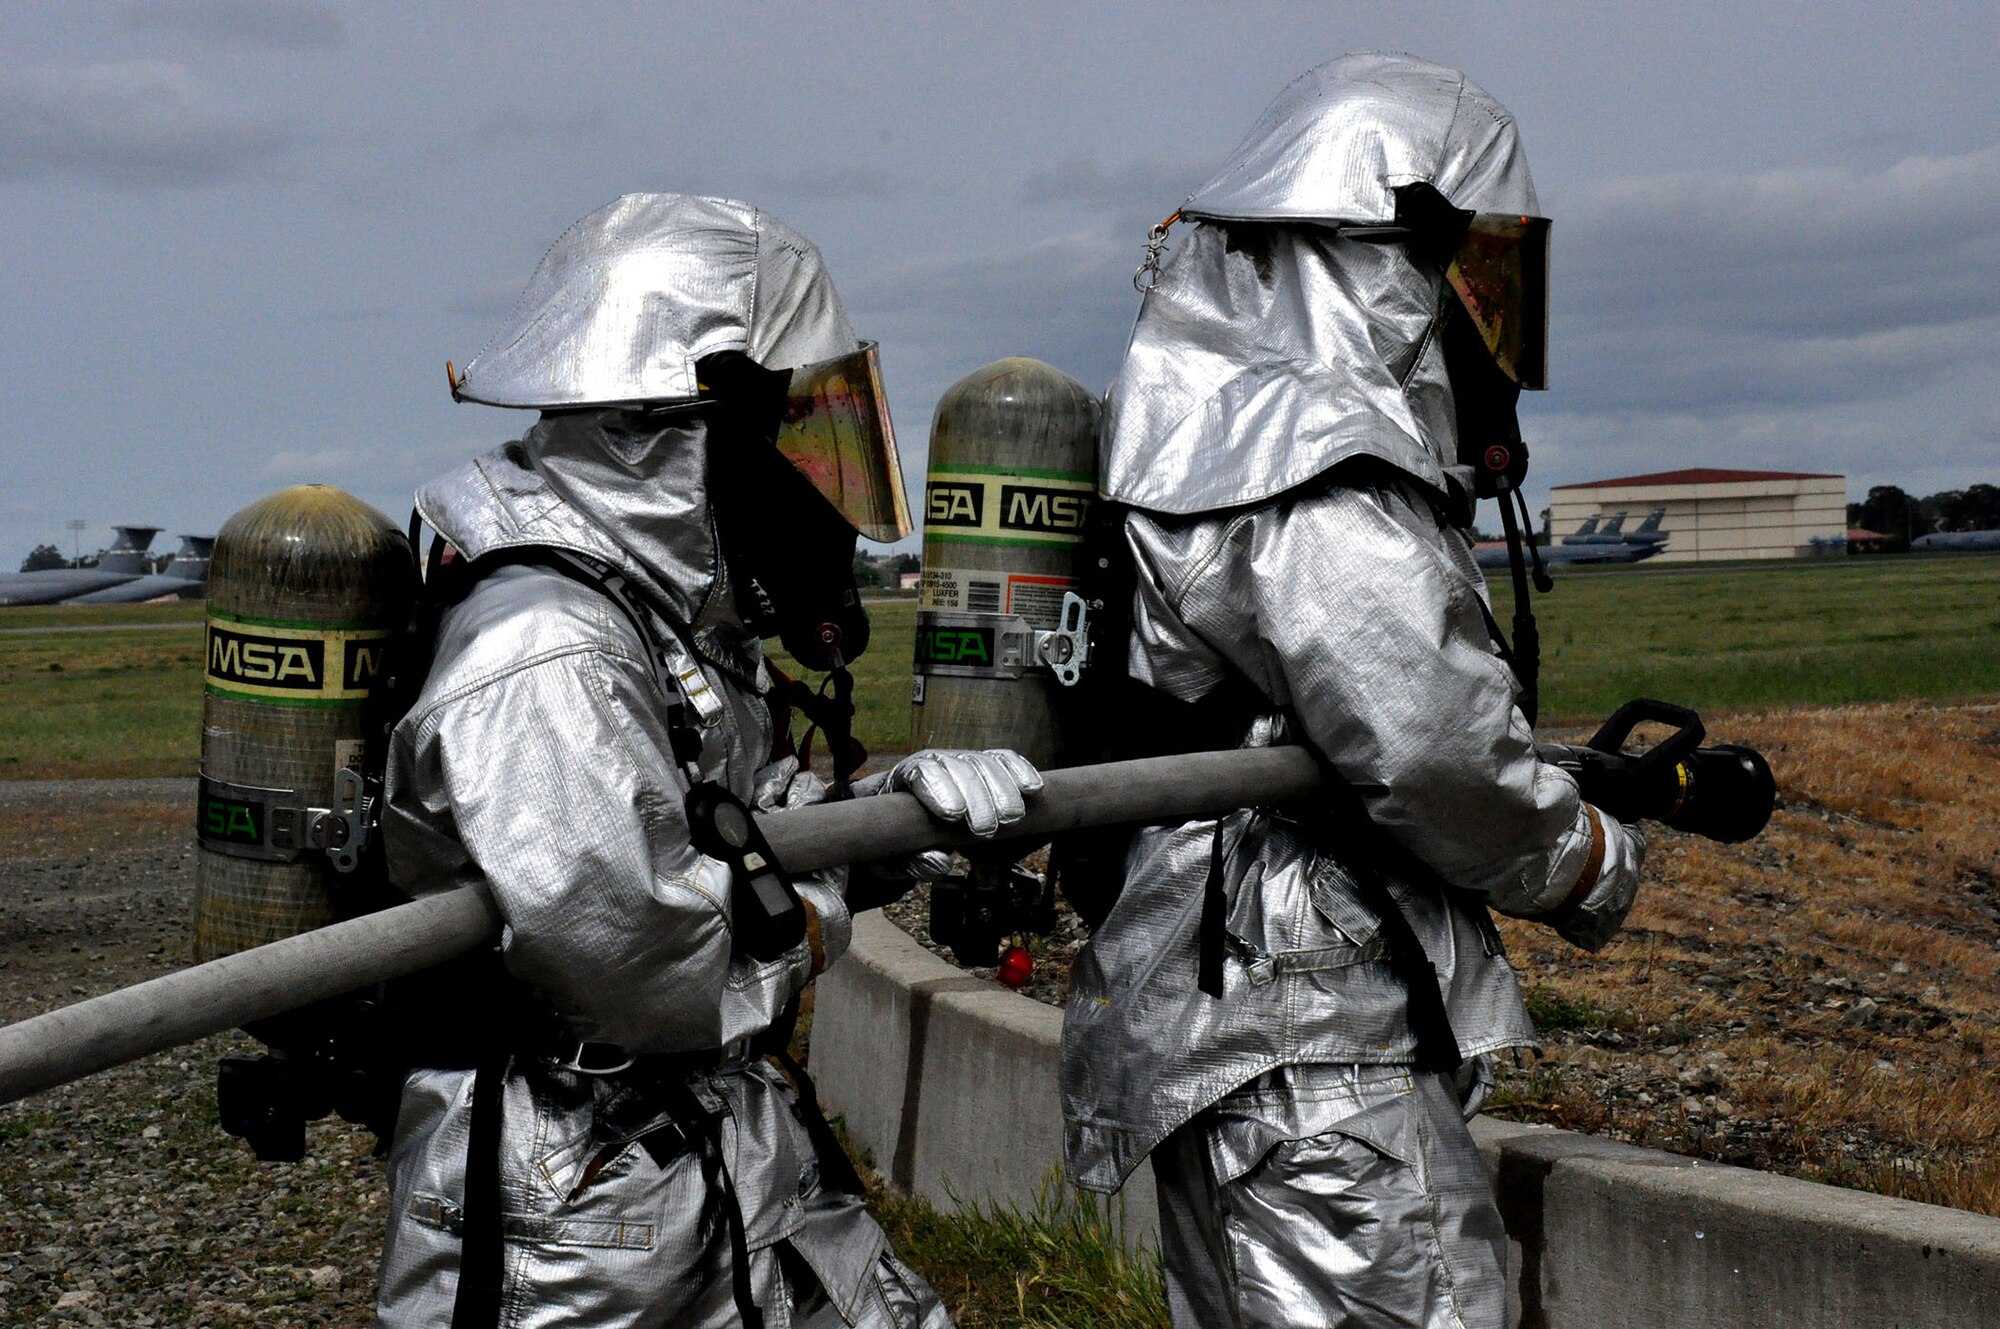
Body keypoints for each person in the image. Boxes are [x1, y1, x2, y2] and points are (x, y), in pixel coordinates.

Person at [375, 193, 1038, 1328]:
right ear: (693, 429)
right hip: (584, 1220)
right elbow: (644, 974)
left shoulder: (661, 609)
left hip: (703, 1142)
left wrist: (888, 813)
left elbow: (735, 829)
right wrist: (827, 894)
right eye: (795, 428)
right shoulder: (548, 649)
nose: (815, 479)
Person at [1059, 55, 1647, 1328]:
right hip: (1310, 1026)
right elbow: (1430, 747)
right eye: (1458, 266)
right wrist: (1585, 853)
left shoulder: (1202, 416)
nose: (1468, 315)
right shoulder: (1316, 450)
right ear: (1388, 250)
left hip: (1221, 1009)